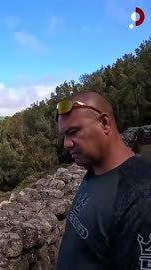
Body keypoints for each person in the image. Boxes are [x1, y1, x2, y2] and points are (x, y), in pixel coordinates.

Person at [54, 91, 151, 270]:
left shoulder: (141, 195)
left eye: (74, 132)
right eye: (64, 136)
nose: (66, 144)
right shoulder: (94, 171)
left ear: (104, 123)